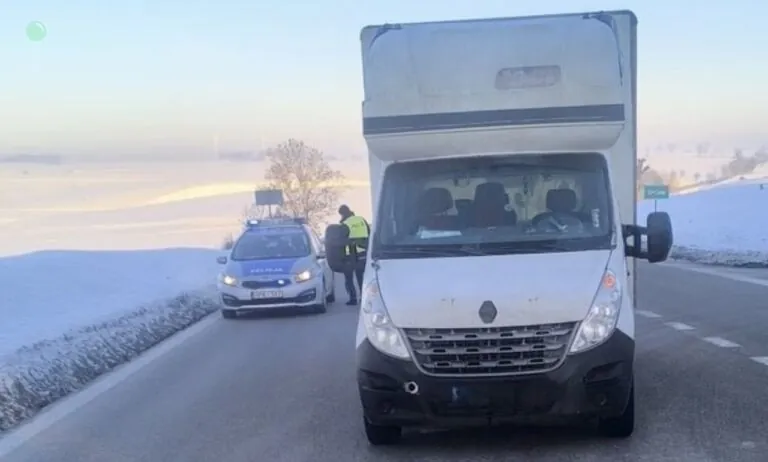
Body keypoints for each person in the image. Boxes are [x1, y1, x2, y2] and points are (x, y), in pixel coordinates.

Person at [339, 204, 370, 305]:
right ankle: (364, 297)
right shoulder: (361, 220)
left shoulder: (345, 224)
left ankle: (353, 298)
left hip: (350, 254)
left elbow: (341, 241)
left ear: (342, 214)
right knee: (361, 277)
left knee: (349, 278)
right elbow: (369, 233)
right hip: (364, 252)